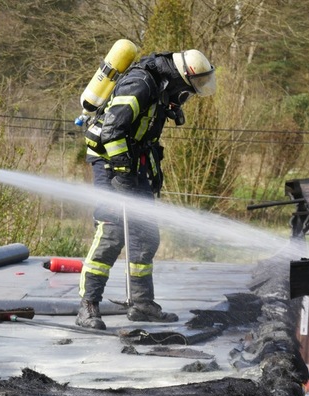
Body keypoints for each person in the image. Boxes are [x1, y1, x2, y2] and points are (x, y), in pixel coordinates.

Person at [76, 49, 216, 330]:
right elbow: (112, 131)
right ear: (182, 76)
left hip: (134, 161)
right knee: (112, 232)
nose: (193, 92)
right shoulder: (141, 83)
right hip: (109, 160)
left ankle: (141, 304)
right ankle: (88, 306)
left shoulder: (163, 86)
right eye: (194, 85)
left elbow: (144, 131)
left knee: (146, 235)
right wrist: (121, 173)